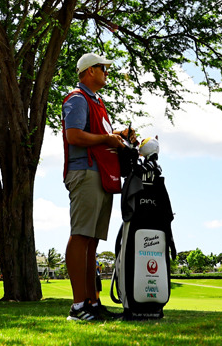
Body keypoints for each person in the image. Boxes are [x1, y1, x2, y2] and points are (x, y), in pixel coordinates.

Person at [62, 52, 135, 322]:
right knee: (81, 235)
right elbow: (74, 135)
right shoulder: (77, 98)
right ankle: (78, 306)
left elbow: (100, 136)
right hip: (85, 172)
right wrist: (108, 137)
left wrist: (119, 137)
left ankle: (92, 302)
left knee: (91, 241)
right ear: (89, 71)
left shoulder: (97, 102)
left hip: (99, 173)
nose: (107, 72)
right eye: (103, 68)